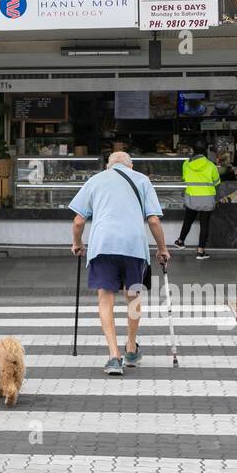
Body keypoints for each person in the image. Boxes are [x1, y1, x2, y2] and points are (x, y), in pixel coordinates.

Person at [68, 150, 170, 377]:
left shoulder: (95, 180)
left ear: (108, 166)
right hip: (134, 246)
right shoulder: (142, 180)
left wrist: (77, 244)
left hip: (103, 245)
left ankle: (114, 357)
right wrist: (162, 248)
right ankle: (131, 350)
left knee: (106, 300)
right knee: (133, 297)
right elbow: (153, 219)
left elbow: (78, 221)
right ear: (131, 166)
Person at [174, 138, 219, 260]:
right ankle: (200, 251)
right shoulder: (211, 165)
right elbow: (216, 181)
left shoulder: (186, 164)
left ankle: (180, 241)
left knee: (188, 220)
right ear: (205, 150)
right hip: (207, 199)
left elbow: (185, 179)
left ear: (193, 150)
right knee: (204, 225)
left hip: (192, 198)